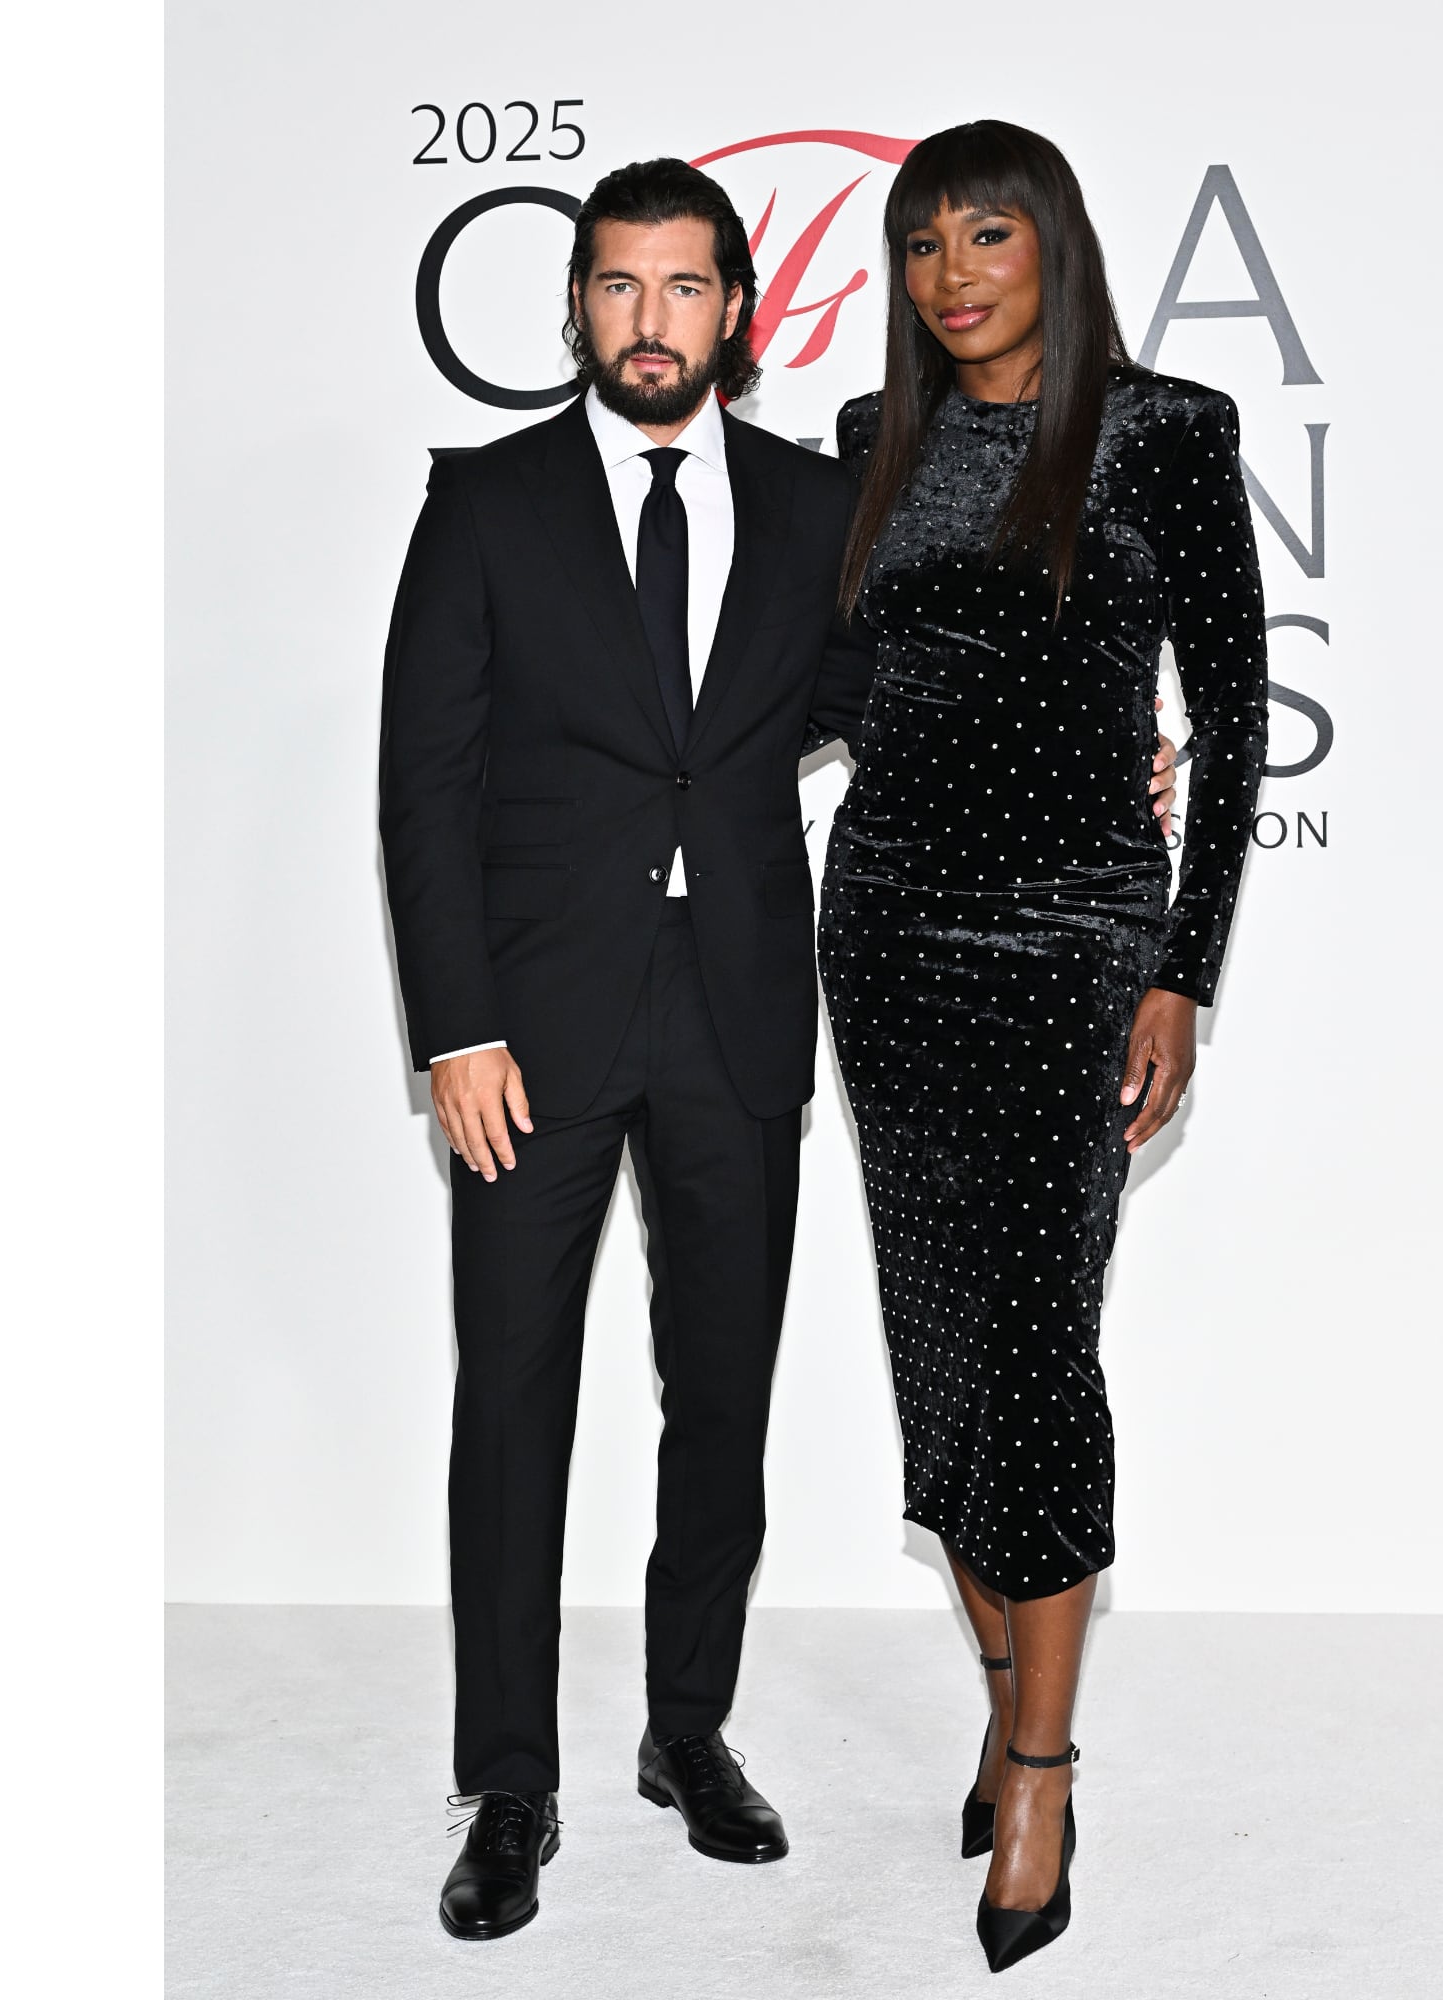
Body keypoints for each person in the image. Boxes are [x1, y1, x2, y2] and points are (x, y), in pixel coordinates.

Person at [376, 154, 1182, 1943]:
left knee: (721, 1394)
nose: (648, 319)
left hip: (741, 1003)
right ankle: (509, 1784)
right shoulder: (488, 501)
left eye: (683, 286)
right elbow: (421, 783)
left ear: (734, 311)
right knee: (513, 1401)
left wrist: (1112, 751)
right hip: (533, 1026)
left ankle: (689, 1731)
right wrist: (456, 1027)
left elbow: (908, 698)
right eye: (616, 285)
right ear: (575, 308)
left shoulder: (827, 501)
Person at [822, 121, 1268, 1972]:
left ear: (1055, 248)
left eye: (988, 235)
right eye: (924, 244)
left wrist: (1184, 971)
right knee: (940, 1339)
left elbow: (1233, 716)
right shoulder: (874, 437)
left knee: (1036, 1345)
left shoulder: (1165, 431)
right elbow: (833, 689)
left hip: (1076, 934)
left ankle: (1038, 1769)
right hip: (890, 927)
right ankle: (1009, 1681)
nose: (953, 273)